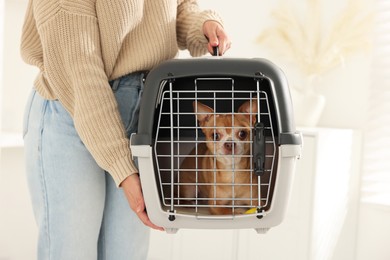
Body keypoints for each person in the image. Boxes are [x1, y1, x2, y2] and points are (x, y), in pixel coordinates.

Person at [20, 0, 231, 259]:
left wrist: (203, 25)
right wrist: (123, 167)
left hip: (142, 115)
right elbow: (80, 70)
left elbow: (179, 8)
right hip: (72, 108)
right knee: (71, 252)